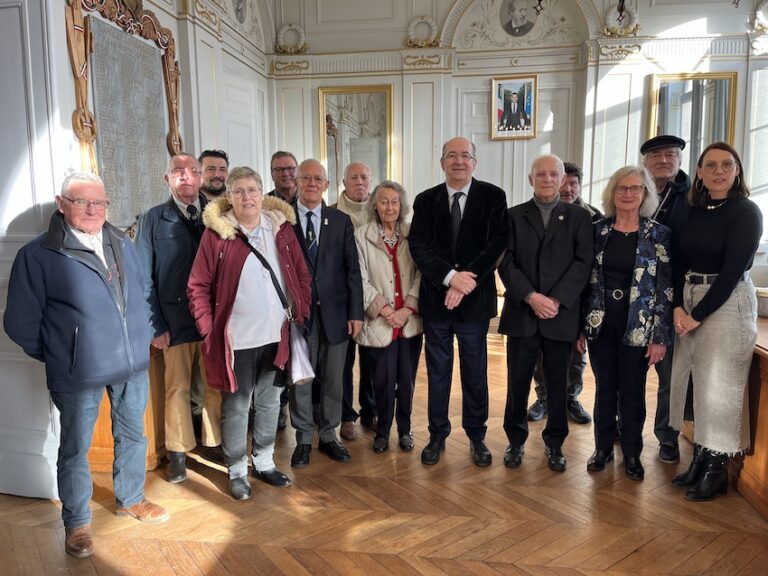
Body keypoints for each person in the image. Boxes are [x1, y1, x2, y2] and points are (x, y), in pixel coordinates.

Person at [3, 172, 169, 559]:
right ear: (62, 204)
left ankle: (130, 498)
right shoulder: (38, 255)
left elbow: (143, 290)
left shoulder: (120, 242)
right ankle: (77, 522)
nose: (93, 210)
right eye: (82, 202)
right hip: (78, 371)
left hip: (130, 363)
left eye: (100, 202)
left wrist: (144, 333)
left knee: (133, 436)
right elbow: (20, 323)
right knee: (75, 447)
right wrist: (63, 352)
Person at [187, 166, 311, 499]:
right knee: (237, 407)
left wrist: (302, 309)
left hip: (277, 336)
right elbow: (197, 285)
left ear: (262, 194)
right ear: (229, 197)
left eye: (252, 190)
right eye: (239, 191)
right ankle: (238, 470)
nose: (246, 197)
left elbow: (300, 274)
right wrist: (208, 329)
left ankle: (265, 462)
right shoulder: (217, 234)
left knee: (270, 404)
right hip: (235, 340)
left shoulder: (281, 229)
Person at [670, 142, 762, 501]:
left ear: (737, 170)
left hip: (727, 301)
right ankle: (700, 456)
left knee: (721, 385)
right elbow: (678, 262)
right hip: (690, 296)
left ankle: (716, 468)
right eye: (711, 165)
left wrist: (698, 315)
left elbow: (732, 270)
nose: (719, 171)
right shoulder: (693, 211)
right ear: (700, 173)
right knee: (697, 382)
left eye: (727, 164)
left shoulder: (746, 212)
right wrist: (678, 306)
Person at [409, 137, 508, 467]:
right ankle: (437, 434)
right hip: (437, 302)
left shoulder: (493, 197)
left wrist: (465, 282)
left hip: (475, 303)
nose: (459, 161)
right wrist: (451, 278)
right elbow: (420, 248)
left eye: (466, 155)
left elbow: (496, 245)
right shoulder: (425, 200)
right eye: (452, 155)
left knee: (475, 373)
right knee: (437, 373)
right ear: (442, 162)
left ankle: (476, 435)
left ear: (475, 162)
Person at [498, 154, 592, 472]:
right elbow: (506, 262)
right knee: (518, 383)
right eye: (541, 174)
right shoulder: (511, 216)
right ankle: (515, 441)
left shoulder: (580, 217)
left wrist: (555, 300)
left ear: (563, 178)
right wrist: (530, 296)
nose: (548, 179)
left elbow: (583, 263)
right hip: (522, 314)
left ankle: (555, 444)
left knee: (557, 384)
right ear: (531, 179)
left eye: (554, 174)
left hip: (560, 315)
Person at [135, 154, 222, 484]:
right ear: (167, 179)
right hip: (174, 321)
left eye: (192, 172)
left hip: (213, 319)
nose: (186, 177)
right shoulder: (153, 219)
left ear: (200, 178)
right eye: (178, 172)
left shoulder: (217, 216)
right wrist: (155, 325)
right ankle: (177, 452)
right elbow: (143, 276)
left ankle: (214, 443)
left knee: (216, 383)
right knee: (177, 388)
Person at [582, 166, 673, 481]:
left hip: (640, 325)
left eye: (636, 188)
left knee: (633, 391)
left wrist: (660, 337)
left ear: (645, 194)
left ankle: (632, 453)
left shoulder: (658, 234)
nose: (629, 194)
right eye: (622, 188)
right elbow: (585, 282)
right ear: (612, 192)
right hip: (600, 322)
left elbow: (665, 289)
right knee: (605, 389)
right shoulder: (597, 230)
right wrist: (581, 327)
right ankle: (602, 448)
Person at [288, 159, 364, 468]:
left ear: (327, 185)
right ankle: (304, 438)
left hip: (336, 314)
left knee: (334, 379)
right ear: (297, 182)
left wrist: (356, 313)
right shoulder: (283, 220)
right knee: (301, 379)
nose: (312, 184)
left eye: (318, 179)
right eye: (306, 178)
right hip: (298, 316)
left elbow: (352, 271)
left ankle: (329, 434)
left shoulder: (341, 220)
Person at [527, 161, 601, 424]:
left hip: (578, 299)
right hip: (542, 299)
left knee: (577, 352)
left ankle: (571, 398)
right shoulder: (532, 214)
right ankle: (544, 397)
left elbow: (589, 264)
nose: (568, 188)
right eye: (564, 182)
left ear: (579, 185)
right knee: (541, 354)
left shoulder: (593, 217)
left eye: (573, 183)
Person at [354, 181, 424, 453]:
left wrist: (407, 309)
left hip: (408, 323)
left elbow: (421, 272)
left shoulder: (412, 233)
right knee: (381, 382)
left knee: (406, 381)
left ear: (402, 205)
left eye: (395, 201)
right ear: (374, 205)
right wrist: (385, 310)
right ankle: (382, 430)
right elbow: (359, 278)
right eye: (384, 201)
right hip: (379, 323)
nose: (390, 207)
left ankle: (405, 430)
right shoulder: (362, 235)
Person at [641, 134, 691, 463]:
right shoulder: (636, 189)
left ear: (679, 160)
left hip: (674, 296)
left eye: (670, 154)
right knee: (625, 374)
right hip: (636, 295)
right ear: (645, 161)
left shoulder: (694, 196)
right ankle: (621, 427)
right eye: (656, 155)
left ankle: (667, 435)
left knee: (670, 376)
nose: (663, 160)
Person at [333, 162, 377, 441]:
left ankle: (370, 409)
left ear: (370, 180)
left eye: (364, 176)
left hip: (374, 297)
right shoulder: (333, 214)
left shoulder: (380, 210)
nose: (359, 181)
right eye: (353, 177)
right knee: (344, 362)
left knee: (372, 358)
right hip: (344, 300)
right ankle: (346, 415)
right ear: (344, 182)